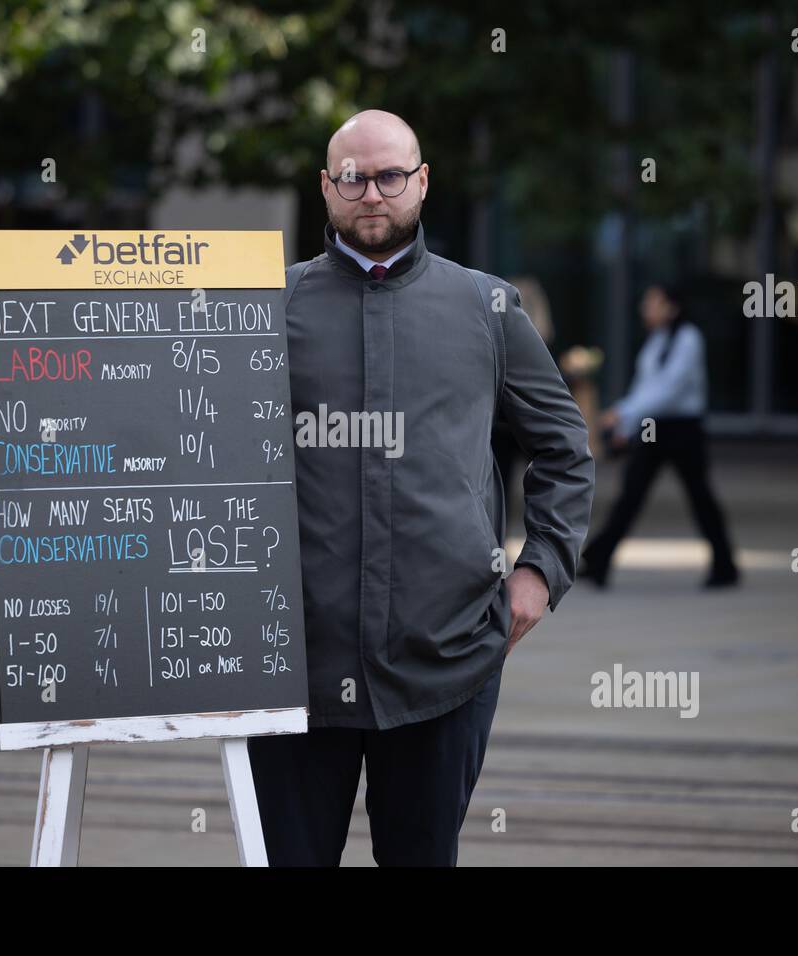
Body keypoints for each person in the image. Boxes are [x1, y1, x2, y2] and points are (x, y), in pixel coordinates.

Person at [247, 110, 595, 866]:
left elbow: (565, 448)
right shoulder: (264, 308)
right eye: (353, 177)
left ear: (423, 181)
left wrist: (540, 571)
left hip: (447, 659)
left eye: (391, 176)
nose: (373, 193)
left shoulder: (489, 308)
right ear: (326, 187)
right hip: (298, 663)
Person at [579, 283, 738, 589]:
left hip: (683, 429)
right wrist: (627, 425)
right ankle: (598, 560)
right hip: (655, 427)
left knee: (699, 496)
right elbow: (646, 389)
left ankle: (724, 564)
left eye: (652, 302)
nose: (646, 308)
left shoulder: (689, 339)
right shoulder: (657, 340)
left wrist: (623, 414)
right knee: (631, 494)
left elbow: (669, 389)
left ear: (672, 306)